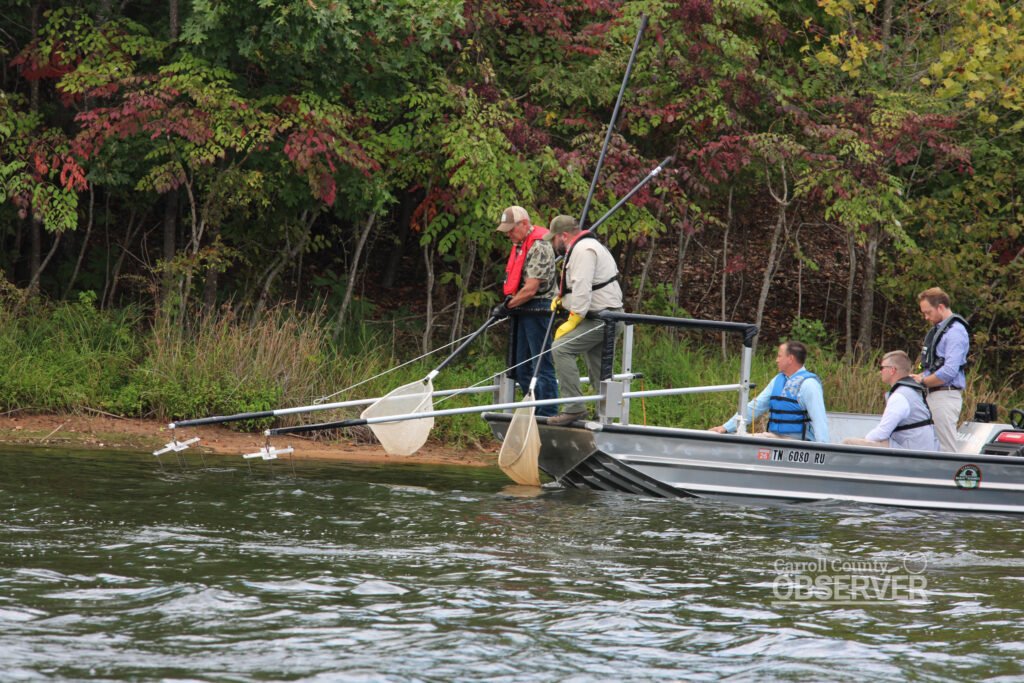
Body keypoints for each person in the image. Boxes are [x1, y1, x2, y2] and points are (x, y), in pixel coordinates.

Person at [543, 214, 624, 426]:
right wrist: (561, 300)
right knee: (598, 368)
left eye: (554, 239)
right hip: (602, 316)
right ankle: (605, 418)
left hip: (603, 318)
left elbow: (582, 288)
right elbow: (578, 287)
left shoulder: (583, 250)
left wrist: (573, 318)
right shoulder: (582, 247)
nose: (553, 244)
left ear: (564, 235)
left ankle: (574, 408)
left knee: (561, 349)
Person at [494, 206, 559, 416]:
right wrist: (510, 305)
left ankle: (547, 412)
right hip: (523, 308)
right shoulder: (520, 244)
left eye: (511, 230)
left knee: (541, 363)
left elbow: (531, 289)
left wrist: (507, 306)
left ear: (524, 224)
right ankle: (531, 409)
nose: (509, 234)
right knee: (521, 367)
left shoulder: (539, 245)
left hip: (539, 307)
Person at [709, 341, 830, 442]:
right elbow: (756, 406)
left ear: (790, 359)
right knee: (741, 439)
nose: (776, 360)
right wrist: (726, 427)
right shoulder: (778, 380)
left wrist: (823, 451)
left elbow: (820, 420)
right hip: (776, 438)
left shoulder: (809, 384)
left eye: (779, 356)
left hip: (798, 442)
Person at [910, 287, 969, 453]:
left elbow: (950, 370)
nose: (926, 317)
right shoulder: (941, 330)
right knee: (932, 445)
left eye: (928, 312)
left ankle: (950, 477)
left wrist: (924, 381)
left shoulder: (956, 332)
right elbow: (937, 365)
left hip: (945, 395)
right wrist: (920, 376)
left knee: (947, 448)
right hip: (934, 394)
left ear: (941, 307)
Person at [842, 350, 940, 451]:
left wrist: (863, 439)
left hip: (911, 452)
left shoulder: (900, 396)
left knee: (848, 443)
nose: (880, 371)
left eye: (882, 368)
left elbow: (882, 432)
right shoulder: (911, 391)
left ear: (892, 370)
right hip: (919, 447)